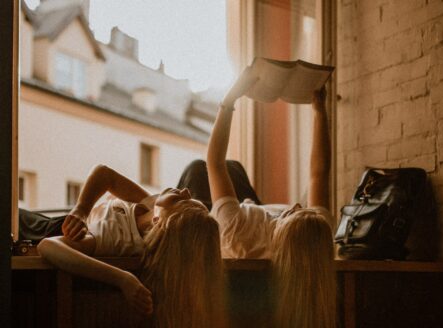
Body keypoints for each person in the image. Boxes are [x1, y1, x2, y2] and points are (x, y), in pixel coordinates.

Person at [205, 68, 336, 328]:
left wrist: (229, 100)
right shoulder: (316, 230)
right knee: (236, 170)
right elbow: (319, 174)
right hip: (251, 209)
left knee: (204, 170)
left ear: (279, 235)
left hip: (226, 222)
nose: (298, 205)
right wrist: (320, 111)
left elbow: (214, 162)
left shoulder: (238, 233)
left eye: (292, 213)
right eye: (302, 209)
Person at [37, 164, 226, 328]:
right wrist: (81, 209)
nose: (185, 191)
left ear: (161, 223)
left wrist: (122, 278)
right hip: (65, 218)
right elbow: (105, 175)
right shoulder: (153, 205)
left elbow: (47, 246)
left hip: (40, 229)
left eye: (181, 201)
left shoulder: (115, 238)